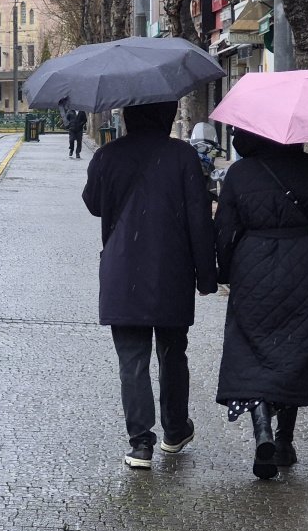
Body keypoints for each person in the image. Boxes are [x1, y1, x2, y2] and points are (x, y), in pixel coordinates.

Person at [82, 101, 218, 470]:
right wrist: (207, 275)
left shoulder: (108, 155)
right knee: (173, 354)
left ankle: (140, 443)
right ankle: (175, 431)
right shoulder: (183, 157)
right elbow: (199, 220)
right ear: (167, 114)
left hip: (122, 269)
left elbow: (93, 204)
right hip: (170, 269)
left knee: (132, 359)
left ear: (128, 115)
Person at [214, 128, 308, 479]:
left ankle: (262, 432)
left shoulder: (240, 172)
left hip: (251, 266)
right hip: (302, 267)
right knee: (293, 351)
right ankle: (285, 442)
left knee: (252, 350)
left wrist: (226, 272)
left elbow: (223, 229)